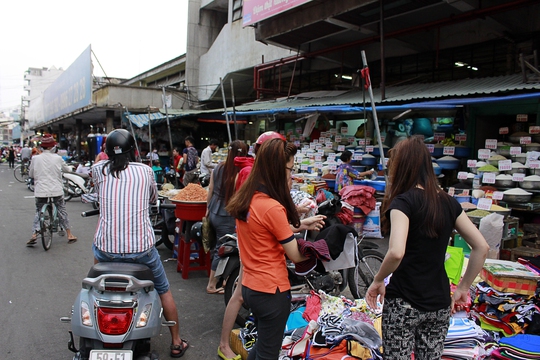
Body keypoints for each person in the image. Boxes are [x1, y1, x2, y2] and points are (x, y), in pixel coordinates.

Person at [365, 136, 489, 360]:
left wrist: (377, 280)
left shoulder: (403, 202)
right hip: (440, 303)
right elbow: (481, 246)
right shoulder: (449, 202)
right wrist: (463, 288)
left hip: (404, 302)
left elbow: (396, 252)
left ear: (401, 167)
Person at [90, 129, 189, 357]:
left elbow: (97, 177)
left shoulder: (98, 170)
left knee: (96, 264)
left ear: (106, 152)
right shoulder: (145, 171)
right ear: (134, 150)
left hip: (106, 251)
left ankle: (98, 286)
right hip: (141, 251)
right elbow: (153, 199)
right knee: (163, 289)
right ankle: (176, 342)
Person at [225, 138, 325, 360]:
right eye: (289, 169)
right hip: (272, 292)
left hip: (251, 287)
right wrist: (318, 249)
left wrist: (300, 226)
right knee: (268, 353)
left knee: (260, 349)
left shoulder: (248, 199)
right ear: (277, 169)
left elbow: (264, 233)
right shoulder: (272, 207)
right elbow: (296, 256)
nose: (291, 175)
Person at [205, 140, 248, 295]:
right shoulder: (239, 171)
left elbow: (210, 189)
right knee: (222, 249)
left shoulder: (219, 167)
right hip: (226, 214)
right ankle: (212, 284)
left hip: (214, 210)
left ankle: (222, 280)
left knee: (216, 246)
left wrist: (207, 208)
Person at [27, 134, 77, 245]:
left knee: (39, 211)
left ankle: (34, 234)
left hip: (41, 190)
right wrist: (71, 168)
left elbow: (31, 174)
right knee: (61, 210)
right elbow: (67, 169)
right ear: (52, 147)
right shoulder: (58, 158)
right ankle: (69, 234)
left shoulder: (35, 158)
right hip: (56, 190)